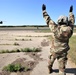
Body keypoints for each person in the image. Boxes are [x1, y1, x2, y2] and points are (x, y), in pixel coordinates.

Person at [42, 4, 75, 75]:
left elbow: (48, 20)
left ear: (58, 21)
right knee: (62, 69)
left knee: (50, 62)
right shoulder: (70, 29)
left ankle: (49, 69)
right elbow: (72, 22)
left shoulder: (55, 28)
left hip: (54, 50)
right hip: (63, 52)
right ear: (66, 21)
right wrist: (71, 13)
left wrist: (44, 11)